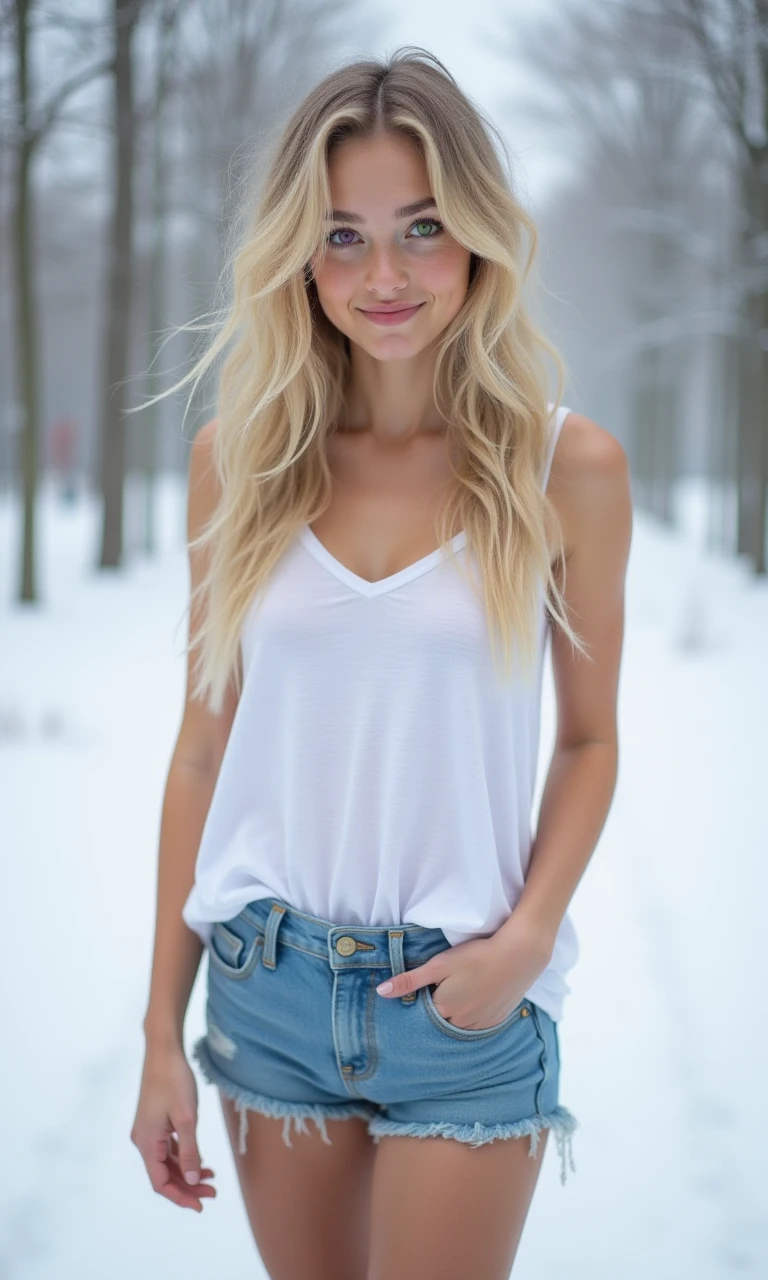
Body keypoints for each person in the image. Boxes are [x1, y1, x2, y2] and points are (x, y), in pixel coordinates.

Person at [130, 46, 632, 1279]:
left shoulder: (566, 469)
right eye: (343, 236)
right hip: (268, 990)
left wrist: (525, 943)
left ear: (476, 236)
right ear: (300, 254)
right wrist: (159, 1034)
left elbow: (588, 737)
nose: (387, 274)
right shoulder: (233, 467)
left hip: (461, 998)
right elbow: (204, 746)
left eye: (420, 227)